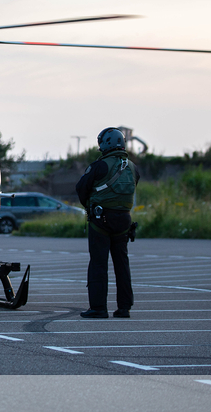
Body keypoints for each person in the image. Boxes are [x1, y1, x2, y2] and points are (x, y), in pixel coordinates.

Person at [76, 127, 140, 319]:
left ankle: (98, 308)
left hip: (100, 220)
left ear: (105, 143)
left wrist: (90, 205)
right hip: (124, 220)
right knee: (122, 264)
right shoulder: (132, 167)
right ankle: (124, 308)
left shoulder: (99, 166)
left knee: (98, 264)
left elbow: (81, 189)